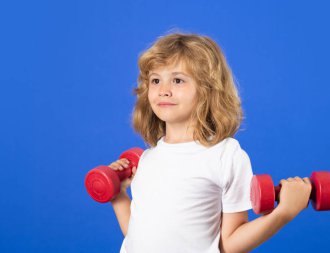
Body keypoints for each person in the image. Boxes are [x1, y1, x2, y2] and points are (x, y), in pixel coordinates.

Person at [108, 32, 312, 253]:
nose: (163, 90)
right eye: (156, 80)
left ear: (207, 90)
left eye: (177, 80)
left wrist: (284, 213)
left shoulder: (225, 156)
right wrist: (117, 195)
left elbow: (231, 244)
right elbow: (139, 235)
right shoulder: (148, 158)